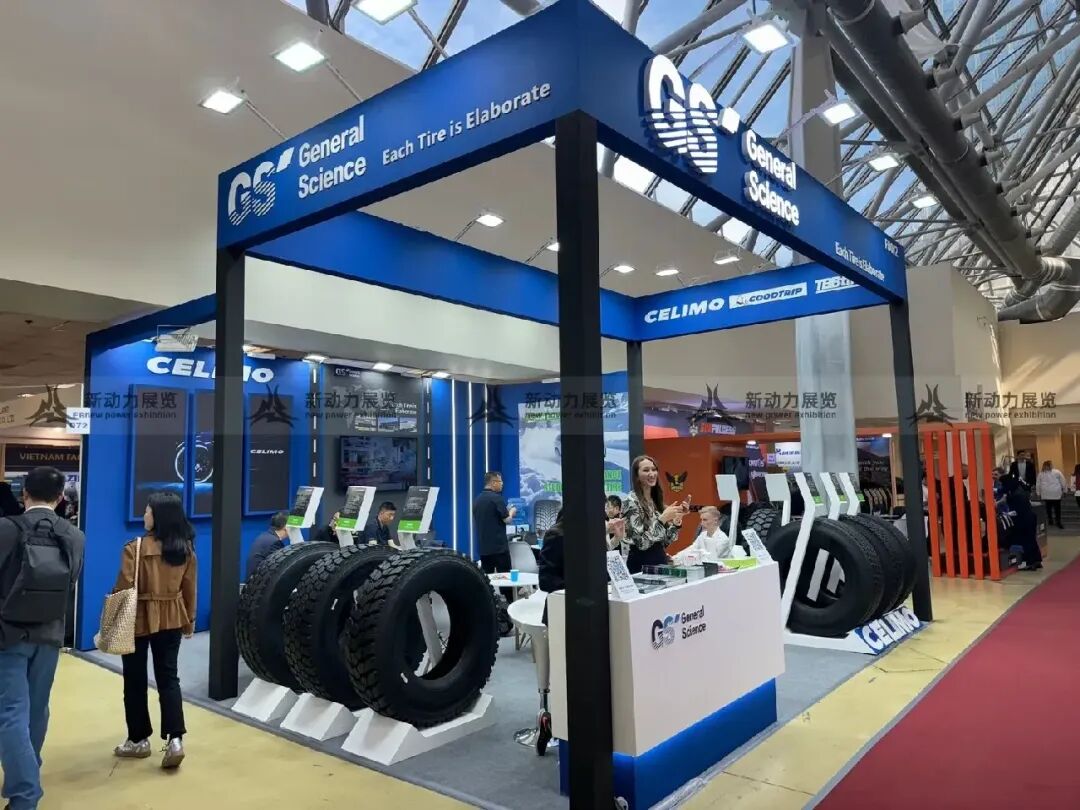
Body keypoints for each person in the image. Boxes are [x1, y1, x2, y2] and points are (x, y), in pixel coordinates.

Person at [0, 467, 84, 810]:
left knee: (10, 712)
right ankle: (28, 773)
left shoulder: (6, 528)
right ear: (61, 497)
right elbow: (71, 580)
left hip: (8, 635)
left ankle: (25, 794)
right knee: (37, 709)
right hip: (50, 634)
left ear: (24, 493)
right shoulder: (75, 535)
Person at [112, 492, 196, 769]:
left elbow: (123, 587)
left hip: (137, 619)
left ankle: (138, 740)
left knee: (134, 679)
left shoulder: (134, 548)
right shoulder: (185, 549)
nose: (144, 515)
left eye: (147, 510)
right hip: (172, 616)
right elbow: (190, 588)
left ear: (158, 516)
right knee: (169, 677)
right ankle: (175, 740)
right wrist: (189, 621)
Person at [622, 455, 686, 574]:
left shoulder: (656, 501)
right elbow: (642, 544)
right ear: (637, 475)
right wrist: (662, 520)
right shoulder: (630, 502)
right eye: (646, 470)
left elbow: (664, 542)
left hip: (660, 561)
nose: (652, 474)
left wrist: (676, 522)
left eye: (654, 469)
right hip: (640, 566)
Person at [473, 472, 517, 574]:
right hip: (499, 549)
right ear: (493, 483)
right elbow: (507, 520)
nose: (502, 484)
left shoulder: (477, 500)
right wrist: (511, 512)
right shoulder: (497, 498)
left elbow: (491, 517)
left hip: (484, 549)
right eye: (500, 481)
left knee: (488, 578)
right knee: (505, 578)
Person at [1001, 475, 1042, 571]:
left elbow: (1016, 511)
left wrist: (1006, 513)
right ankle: (1036, 560)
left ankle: (1029, 563)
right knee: (1031, 540)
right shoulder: (1020, 491)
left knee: (1025, 541)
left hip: (1024, 521)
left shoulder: (1016, 495)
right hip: (1030, 518)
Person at [245, 511, 288, 582]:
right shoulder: (274, 542)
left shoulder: (266, 536)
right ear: (285, 527)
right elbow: (281, 569)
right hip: (259, 585)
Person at [1035, 460, 1068, 530]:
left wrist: (1038, 493)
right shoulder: (1057, 472)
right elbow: (1063, 481)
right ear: (1051, 465)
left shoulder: (1041, 474)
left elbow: (1038, 484)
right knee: (1057, 509)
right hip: (1056, 493)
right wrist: (1065, 490)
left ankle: (1050, 520)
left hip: (1046, 494)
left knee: (1048, 508)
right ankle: (1058, 522)